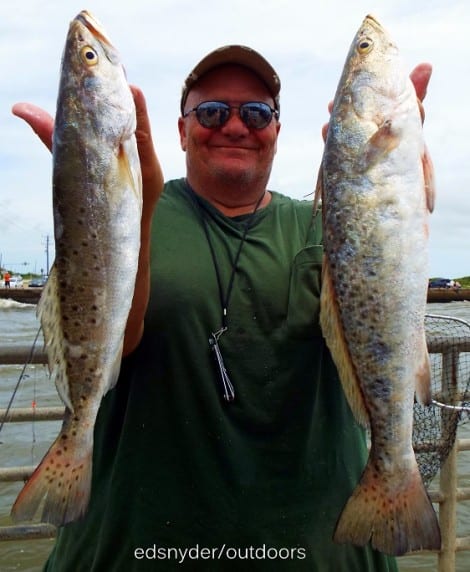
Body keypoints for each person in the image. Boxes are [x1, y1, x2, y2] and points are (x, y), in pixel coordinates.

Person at [13, 45, 432, 571]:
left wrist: (392, 178)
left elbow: (386, 281)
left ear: (277, 131)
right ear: (181, 130)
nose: (235, 126)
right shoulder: (128, 219)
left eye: (256, 113)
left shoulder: (326, 225)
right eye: (211, 112)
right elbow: (109, 344)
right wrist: (98, 196)